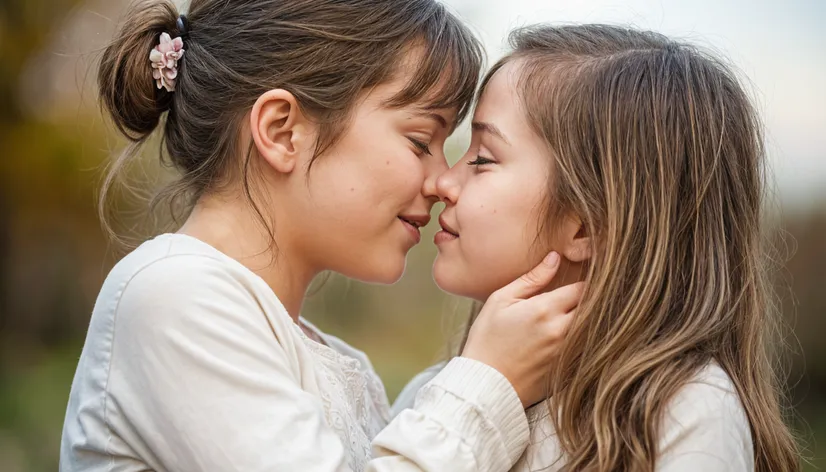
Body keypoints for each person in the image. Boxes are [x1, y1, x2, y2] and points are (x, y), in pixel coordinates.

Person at [59, 2, 582, 471]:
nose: (442, 181)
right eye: (421, 141)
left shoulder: (341, 362)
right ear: (283, 130)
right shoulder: (173, 297)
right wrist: (488, 384)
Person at [394, 24, 800, 472]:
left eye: (483, 159)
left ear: (585, 225)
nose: (445, 181)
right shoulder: (439, 399)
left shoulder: (679, 413)